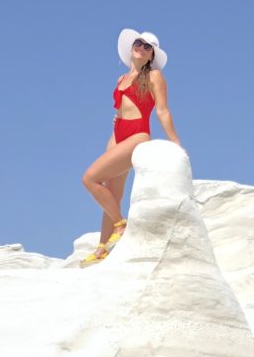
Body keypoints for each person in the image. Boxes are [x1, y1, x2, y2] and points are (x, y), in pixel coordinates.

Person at [78, 28, 184, 267]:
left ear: (151, 56)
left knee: (90, 179)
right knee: (112, 194)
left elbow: (162, 111)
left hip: (138, 134)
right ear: (132, 47)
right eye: (139, 43)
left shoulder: (155, 76)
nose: (142, 48)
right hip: (117, 134)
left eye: (148, 47)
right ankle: (103, 249)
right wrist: (114, 129)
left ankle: (121, 224)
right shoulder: (120, 80)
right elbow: (119, 110)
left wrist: (175, 141)